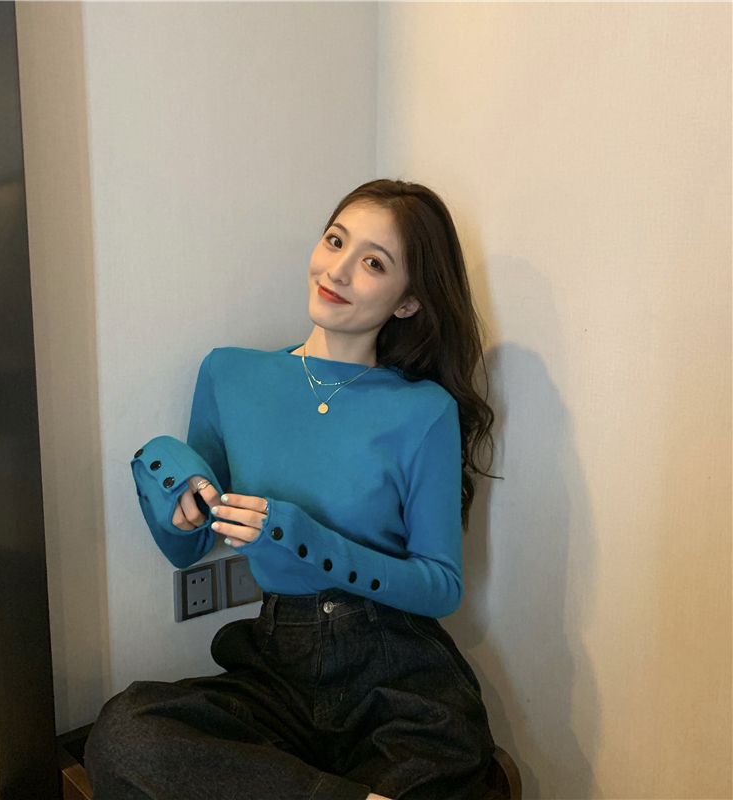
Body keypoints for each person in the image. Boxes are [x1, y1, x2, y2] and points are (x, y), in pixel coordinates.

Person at [84, 179, 501, 800]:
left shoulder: (425, 410)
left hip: (398, 670)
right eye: (335, 241)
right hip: (278, 666)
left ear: (409, 301)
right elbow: (186, 548)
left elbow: (440, 586)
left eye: (374, 263)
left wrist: (304, 538)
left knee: (449, 763)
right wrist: (161, 474)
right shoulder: (230, 374)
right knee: (123, 734)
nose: (338, 270)